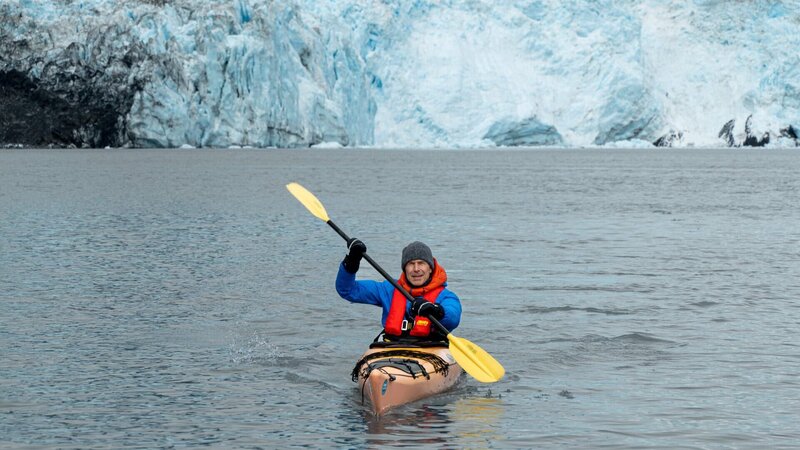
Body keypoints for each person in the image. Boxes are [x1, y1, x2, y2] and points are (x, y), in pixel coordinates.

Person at [336, 239, 462, 342]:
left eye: (421, 263)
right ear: (404, 269)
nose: (416, 269)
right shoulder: (388, 289)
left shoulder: (446, 296)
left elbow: (453, 318)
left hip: (430, 347)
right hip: (392, 347)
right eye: (411, 264)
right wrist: (351, 262)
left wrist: (435, 310)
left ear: (430, 268)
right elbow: (348, 290)